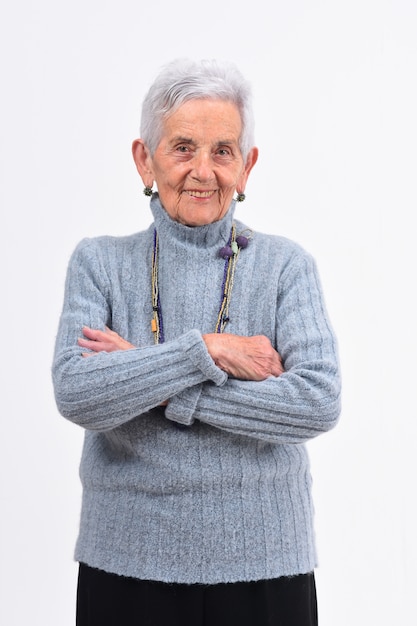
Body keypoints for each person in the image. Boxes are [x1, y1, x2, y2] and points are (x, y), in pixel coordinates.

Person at [52, 58, 341, 626]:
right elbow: (77, 392)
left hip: (266, 566)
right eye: (183, 147)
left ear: (247, 165)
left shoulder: (287, 267)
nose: (203, 171)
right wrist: (209, 350)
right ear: (145, 158)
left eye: (223, 151)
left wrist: (147, 372)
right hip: (127, 562)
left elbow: (316, 402)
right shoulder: (99, 262)